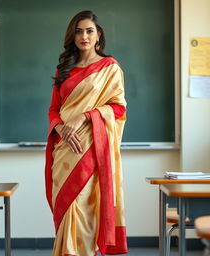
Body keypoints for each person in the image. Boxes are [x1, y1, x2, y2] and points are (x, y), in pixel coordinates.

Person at [45, 10, 128, 256]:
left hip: (91, 147)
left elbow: (118, 107)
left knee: (83, 209)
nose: (84, 36)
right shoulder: (64, 70)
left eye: (89, 30)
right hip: (64, 149)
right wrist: (61, 127)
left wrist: (83, 117)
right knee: (66, 208)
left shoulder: (109, 68)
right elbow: (53, 110)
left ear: (98, 35)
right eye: (79, 31)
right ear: (72, 36)